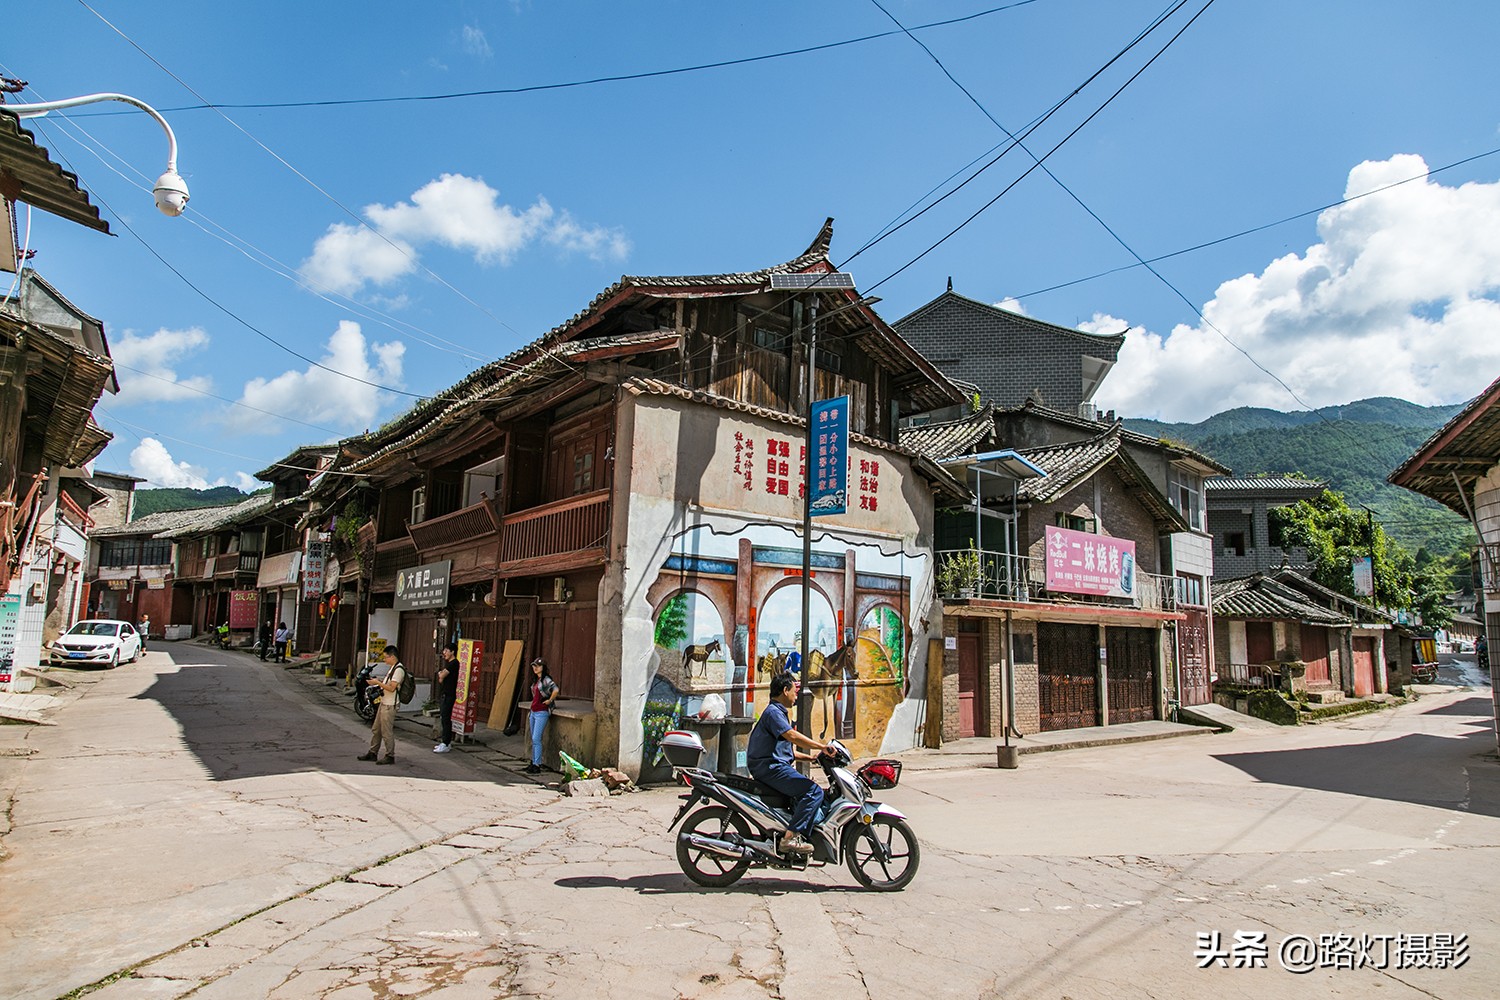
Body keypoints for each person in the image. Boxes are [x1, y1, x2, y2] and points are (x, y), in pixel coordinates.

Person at [748, 674, 834, 856]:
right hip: (770, 768)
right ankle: (791, 838)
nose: (797, 696)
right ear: (785, 691)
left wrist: (811, 758)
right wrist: (822, 746)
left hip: (772, 765)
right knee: (813, 791)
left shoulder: (777, 713)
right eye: (795, 692)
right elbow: (792, 737)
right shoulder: (774, 713)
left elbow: (786, 751)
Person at [357, 648, 404, 765]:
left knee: (386, 731)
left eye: (386, 657)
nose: (385, 660)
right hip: (384, 702)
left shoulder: (399, 670)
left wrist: (377, 683)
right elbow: (388, 684)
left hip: (390, 704)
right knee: (376, 729)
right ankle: (373, 752)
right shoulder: (392, 669)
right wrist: (378, 682)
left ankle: (390, 755)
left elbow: (392, 688)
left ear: (392, 656)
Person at [525, 657, 559, 774]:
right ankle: (533, 761)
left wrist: (549, 700)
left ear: (543, 668)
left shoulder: (546, 680)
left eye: (538, 666)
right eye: (534, 666)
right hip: (534, 711)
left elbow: (555, 689)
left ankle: (537, 764)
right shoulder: (536, 680)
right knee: (533, 739)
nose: (535, 668)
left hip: (542, 712)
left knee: (536, 738)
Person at [433, 641, 459, 753]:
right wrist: (441, 676)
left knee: (446, 718)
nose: (444, 653)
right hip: (445, 694)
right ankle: (445, 742)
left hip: (449, 694)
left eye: (446, 650)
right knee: (444, 718)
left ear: (452, 652)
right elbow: (440, 678)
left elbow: (442, 675)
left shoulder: (454, 663)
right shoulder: (449, 663)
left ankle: (446, 743)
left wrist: (441, 675)